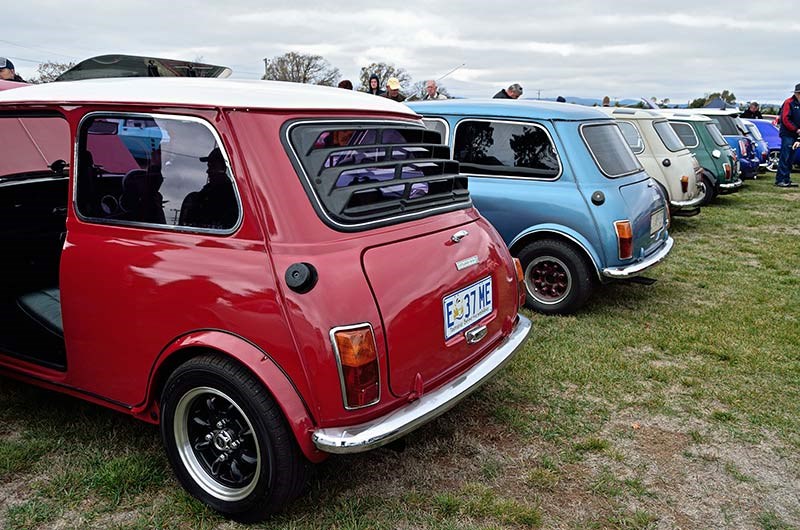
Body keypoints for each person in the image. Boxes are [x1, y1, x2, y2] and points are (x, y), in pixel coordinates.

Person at [179, 147, 239, 227]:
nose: (207, 171)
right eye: (209, 166)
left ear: (225, 169)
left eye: (212, 166)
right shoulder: (202, 195)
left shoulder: (231, 198)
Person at [775, 84, 800, 188]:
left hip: (796, 135)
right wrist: (796, 129)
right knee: (785, 156)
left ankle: (786, 179)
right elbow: (785, 119)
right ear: (797, 94)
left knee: (791, 157)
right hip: (788, 134)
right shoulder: (788, 102)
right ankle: (780, 179)